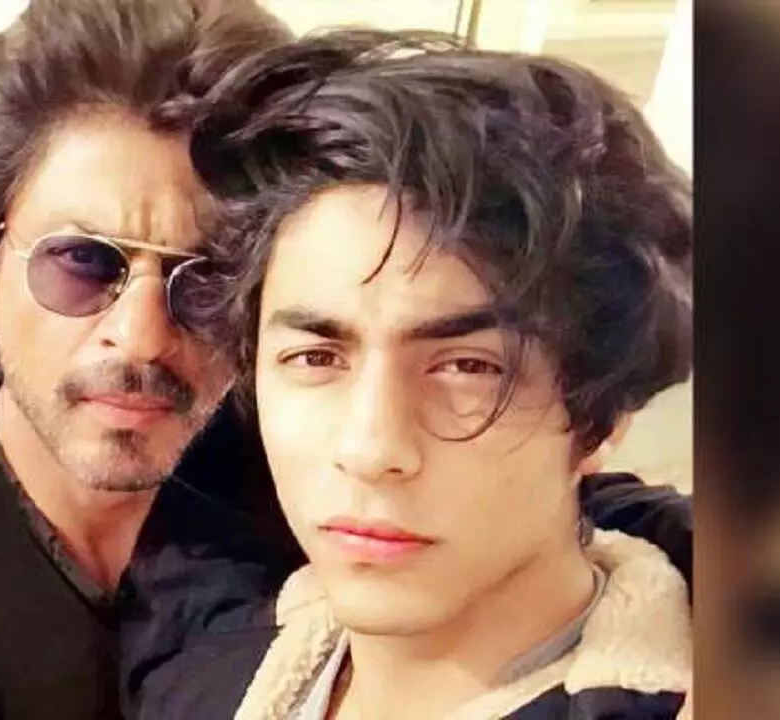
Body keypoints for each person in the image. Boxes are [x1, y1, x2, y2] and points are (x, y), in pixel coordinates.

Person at [0, 6, 693, 720]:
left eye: (205, 280)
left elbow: (576, 502)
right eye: (82, 264)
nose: (141, 336)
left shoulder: (274, 440)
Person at [145, 30, 693, 718]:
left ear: (604, 416)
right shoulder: (208, 668)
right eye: (317, 358)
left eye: (467, 368)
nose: (370, 448)